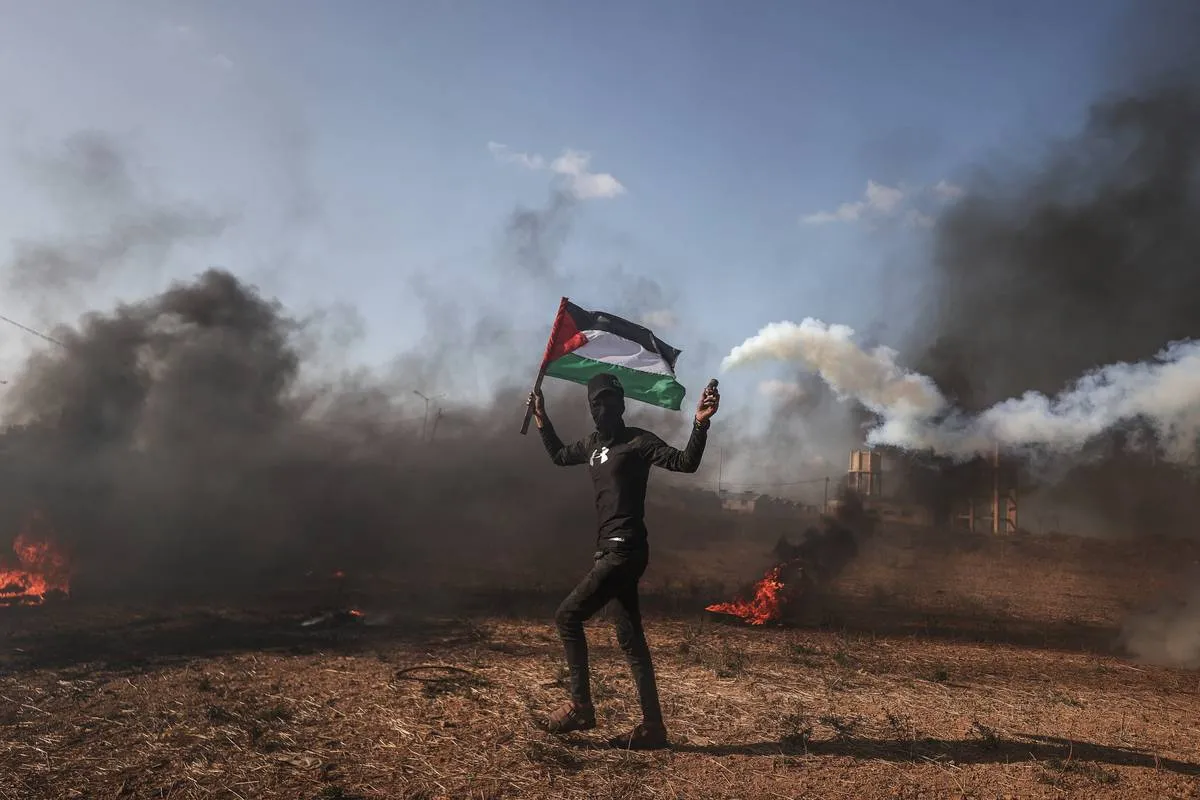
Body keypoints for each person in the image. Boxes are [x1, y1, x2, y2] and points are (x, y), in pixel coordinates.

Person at [527, 372, 720, 749]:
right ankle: (653, 728)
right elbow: (558, 455)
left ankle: (581, 706)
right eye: (597, 403)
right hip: (609, 550)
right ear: (591, 408)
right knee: (631, 640)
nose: (604, 409)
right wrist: (541, 419)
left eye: (611, 402)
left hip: (625, 550)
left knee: (567, 617)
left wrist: (699, 423)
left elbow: (685, 463)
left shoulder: (638, 442)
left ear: (622, 406)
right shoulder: (592, 444)